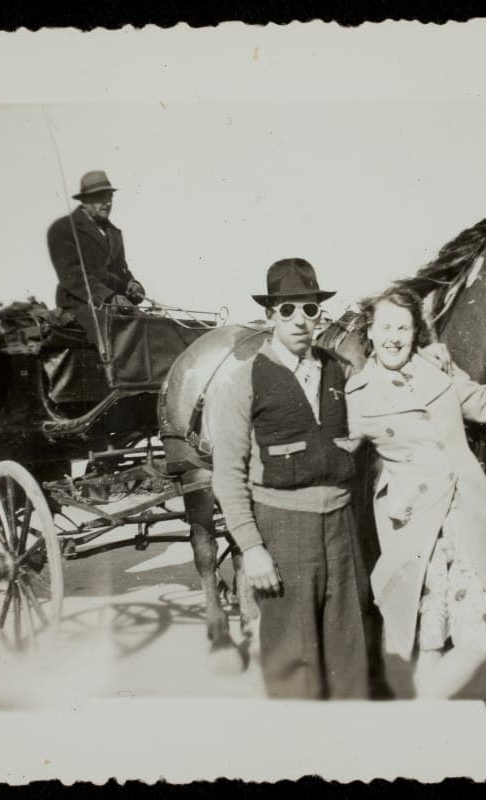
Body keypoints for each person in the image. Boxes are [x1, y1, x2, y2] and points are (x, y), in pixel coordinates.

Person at [339, 285, 486, 699]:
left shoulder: (441, 372)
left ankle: (419, 717)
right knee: (429, 638)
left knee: (482, 633)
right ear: (370, 331)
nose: (394, 337)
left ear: (416, 332)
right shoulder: (358, 394)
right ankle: (425, 724)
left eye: (403, 328)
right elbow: (340, 455)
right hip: (413, 525)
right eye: (386, 327)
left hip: (463, 516)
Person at [210, 258, 372, 700]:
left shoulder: (342, 371)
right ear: (270, 316)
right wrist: (251, 548)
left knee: (350, 657)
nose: (300, 320)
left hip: (341, 529)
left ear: (320, 315)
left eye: (310, 309)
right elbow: (228, 472)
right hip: (282, 528)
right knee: (291, 662)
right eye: (287, 310)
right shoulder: (247, 379)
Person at [47, 170, 147, 346]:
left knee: (153, 326)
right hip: (80, 303)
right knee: (121, 337)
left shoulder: (114, 233)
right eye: (101, 197)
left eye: (110, 197)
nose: (107, 203)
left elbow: (122, 270)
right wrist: (108, 297)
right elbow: (72, 275)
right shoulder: (63, 228)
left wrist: (133, 284)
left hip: (115, 303)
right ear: (85, 201)